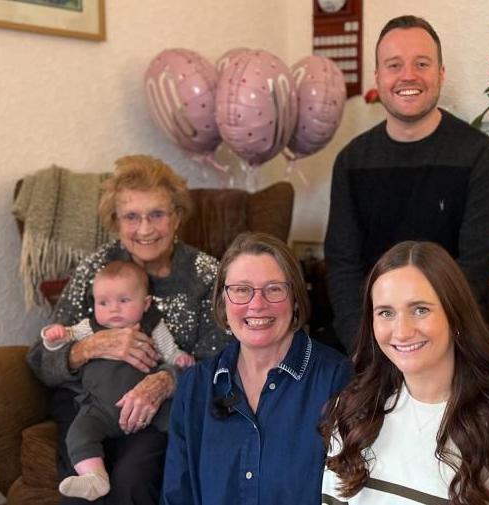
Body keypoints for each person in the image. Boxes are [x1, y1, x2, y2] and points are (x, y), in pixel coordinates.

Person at [26, 154, 229, 504]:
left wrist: (167, 381)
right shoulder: (95, 269)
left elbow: (227, 360)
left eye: (157, 215)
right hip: (90, 406)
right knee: (83, 486)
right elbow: (41, 358)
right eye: (131, 217)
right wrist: (88, 347)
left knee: (132, 479)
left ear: (177, 217)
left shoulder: (205, 275)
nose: (145, 229)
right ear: (115, 222)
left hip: (157, 412)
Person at [320, 241, 489, 504]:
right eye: (385, 312)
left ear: (456, 317)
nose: (402, 331)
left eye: (420, 310)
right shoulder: (352, 413)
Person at [325, 15, 489, 352]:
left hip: (454, 340)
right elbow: (342, 267)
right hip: (369, 341)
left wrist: (421, 342)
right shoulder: (352, 161)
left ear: (440, 73)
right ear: (378, 77)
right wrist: (364, 344)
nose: (408, 75)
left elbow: (473, 270)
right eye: (394, 65)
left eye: (421, 63)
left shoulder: (480, 156)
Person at [162, 232, 351, 504]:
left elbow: (348, 493)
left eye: (274, 288)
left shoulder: (337, 380)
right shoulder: (196, 386)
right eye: (241, 290)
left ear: (295, 298)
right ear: (222, 302)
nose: (257, 304)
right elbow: (177, 496)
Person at [40, 261, 194, 500]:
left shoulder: (152, 327)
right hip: (99, 410)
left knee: (176, 419)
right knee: (78, 434)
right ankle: (94, 478)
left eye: (123, 301)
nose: (113, 309)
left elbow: (170, 352)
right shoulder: (89, 328)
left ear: (146, 304)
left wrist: (180, 359)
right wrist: (55, 336)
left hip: (147, 410)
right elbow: (61, 342)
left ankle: (194, 456)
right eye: (104, 303)